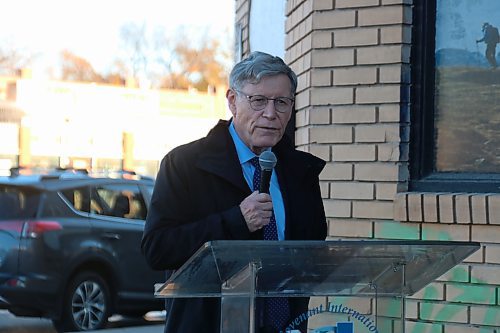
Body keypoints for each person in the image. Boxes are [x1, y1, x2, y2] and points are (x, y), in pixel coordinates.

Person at [141, 51, 327, 333]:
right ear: (232, 101)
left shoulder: (301, 172)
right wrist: (236, 220)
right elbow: (158, 249)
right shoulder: (185, 165)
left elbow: (311, 255)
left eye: (281, 102)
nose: (270, 114)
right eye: (258, 100)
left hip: (285, 326)